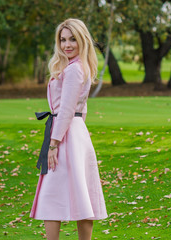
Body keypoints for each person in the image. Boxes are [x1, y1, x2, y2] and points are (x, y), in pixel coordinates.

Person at [29, 18, 108, 240]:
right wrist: (77, 130)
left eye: (72, 39)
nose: (67, 44)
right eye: (63, 40)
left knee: (50, 195)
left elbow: (66, 109)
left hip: (65, 135)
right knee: (80, 193)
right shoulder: (77, 66)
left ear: (82, 39)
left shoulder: (74, 70)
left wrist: (53, 144)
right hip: (74, 132)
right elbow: (80, 109)